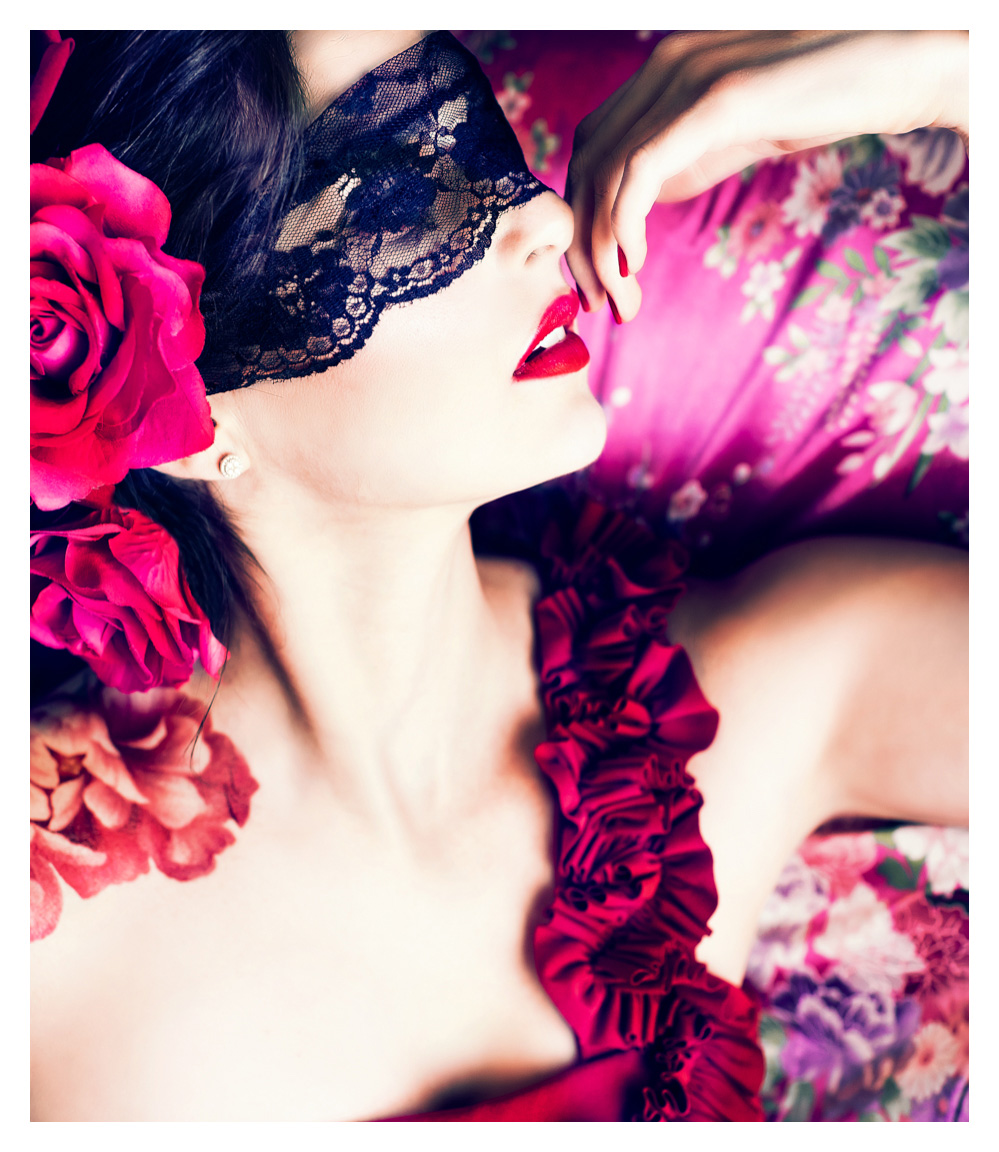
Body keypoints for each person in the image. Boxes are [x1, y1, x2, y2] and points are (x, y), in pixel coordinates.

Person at [29, 29, 968, 1121]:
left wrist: (953, 75)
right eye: (393, 199)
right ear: (182, 420)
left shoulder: (768, 692)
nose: (541, 218)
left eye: (477, 138)